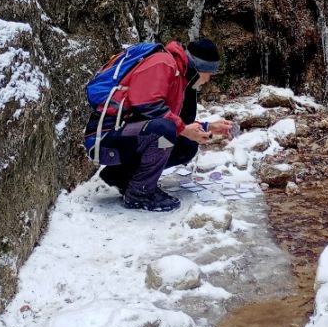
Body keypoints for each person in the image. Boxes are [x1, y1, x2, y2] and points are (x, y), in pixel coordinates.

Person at [83, 38, 232, 212]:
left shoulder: (180, 77)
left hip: (127, 134)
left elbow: (171, 120)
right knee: (164, 131)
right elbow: (146, 104)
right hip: (105, 138)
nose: (209, 79)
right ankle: (140, 194)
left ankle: (121, 176)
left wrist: (207, 127)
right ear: (200, 67)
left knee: (187, 145)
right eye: (210, 73)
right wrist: (184, 129)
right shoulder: (163, 62)